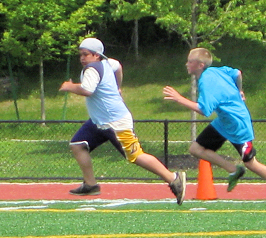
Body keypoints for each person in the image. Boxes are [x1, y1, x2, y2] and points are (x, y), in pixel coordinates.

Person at [59, 37, 186, 204]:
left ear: (97, 55)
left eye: (86, 54)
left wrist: (70, 86)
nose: (82, 58)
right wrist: (118, 86)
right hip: (99, 122)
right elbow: (118, 66)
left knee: (135, 156)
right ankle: (90, 185)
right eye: (80, 55)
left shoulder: (92, 69)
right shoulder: (107, 63)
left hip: (115, 123)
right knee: (77, 144)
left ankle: (173, 178)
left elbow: (87, 90)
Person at [163, 47, 266, 191]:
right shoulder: (216, 70)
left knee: (251, 163)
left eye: (190, 62)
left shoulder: (206, 82)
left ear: (200, 65)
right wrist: (240, 90)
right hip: (223, 122)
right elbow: (237, 73)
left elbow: (204, 110)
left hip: (237, 124)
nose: (187, 64)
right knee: (195, 149)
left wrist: (179, 99)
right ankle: (233, 170)